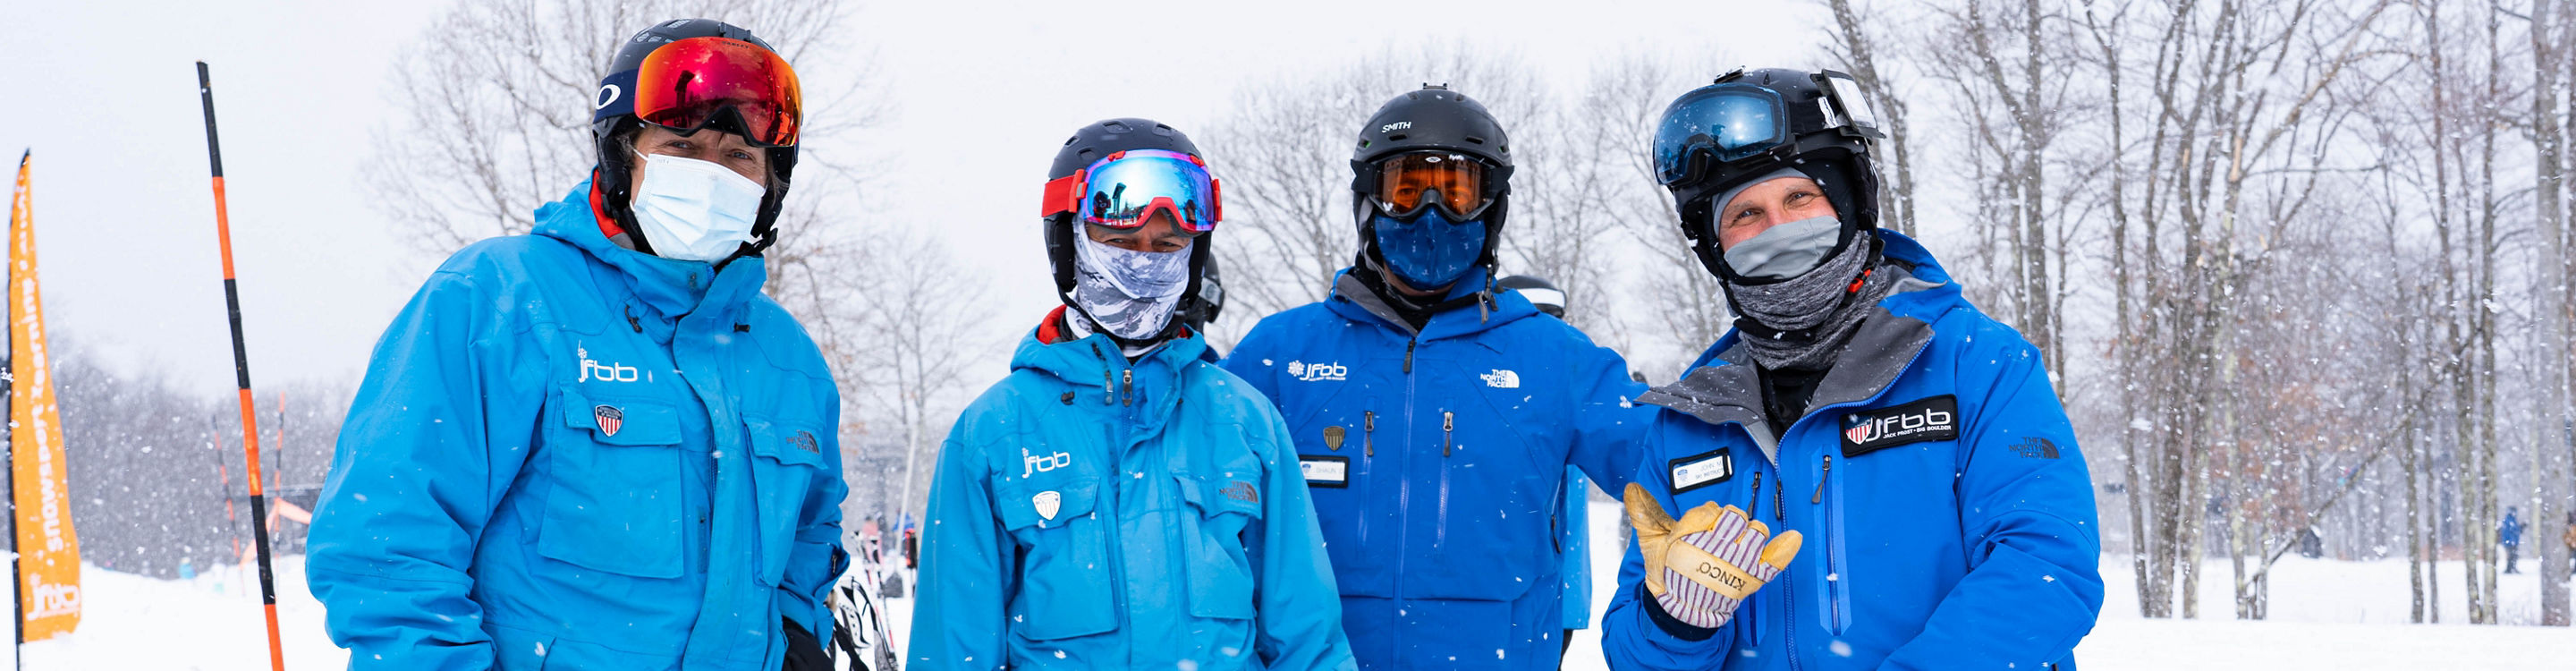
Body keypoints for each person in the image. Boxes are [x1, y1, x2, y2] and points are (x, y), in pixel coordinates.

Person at [306, 19, 847, 671]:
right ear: (625, 154)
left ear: (769, 187)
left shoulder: (788, 359)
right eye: (681, 146)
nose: (712, 176)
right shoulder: (499, 300)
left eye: (739, 159)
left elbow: (810, 531)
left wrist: (792, 631)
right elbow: (389, 544)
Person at [1600, 68, 2102, 670]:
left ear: (1848, 200)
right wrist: (1674, 621)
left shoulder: (1975, 362)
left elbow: (2046, 567)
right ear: (1713, 245)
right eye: (1744, 215)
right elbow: (1632, 656)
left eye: (1798, 198)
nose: (1777, 229)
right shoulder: (1692, 420)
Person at [1224, 86, 1650, 669]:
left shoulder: (1554, 359)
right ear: (1368, 205)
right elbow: (1187, 511)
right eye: (1405, 190)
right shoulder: (1280, 353)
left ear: (1490, 209)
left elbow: (1672, 464)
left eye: (1456, 191)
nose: (1430, 213)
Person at [909, 118, 1355, 671]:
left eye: (1167, 244)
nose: (1146, 261)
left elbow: (1307, 640)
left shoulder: (1244, 421)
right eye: (1120, 242)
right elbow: (953, 649)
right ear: (1068, 244)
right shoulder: (995, 432)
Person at [1496, 273, 1597, 662]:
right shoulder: (1502, 398)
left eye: (1556, 319)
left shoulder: (1568, 392)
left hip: (1557, 596)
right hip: (1513, 596)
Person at [2501, 506, 2524, 574]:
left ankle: (2512, 568)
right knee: (2511, 556)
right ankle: (2509, 569)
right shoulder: (2509, 520)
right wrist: (2511, 541)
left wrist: (2521, 527)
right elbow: (2511, 531)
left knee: (2514, 556)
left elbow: (2516, 530)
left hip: (2513, 542)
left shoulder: (2512, 520)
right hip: (2510, 542)